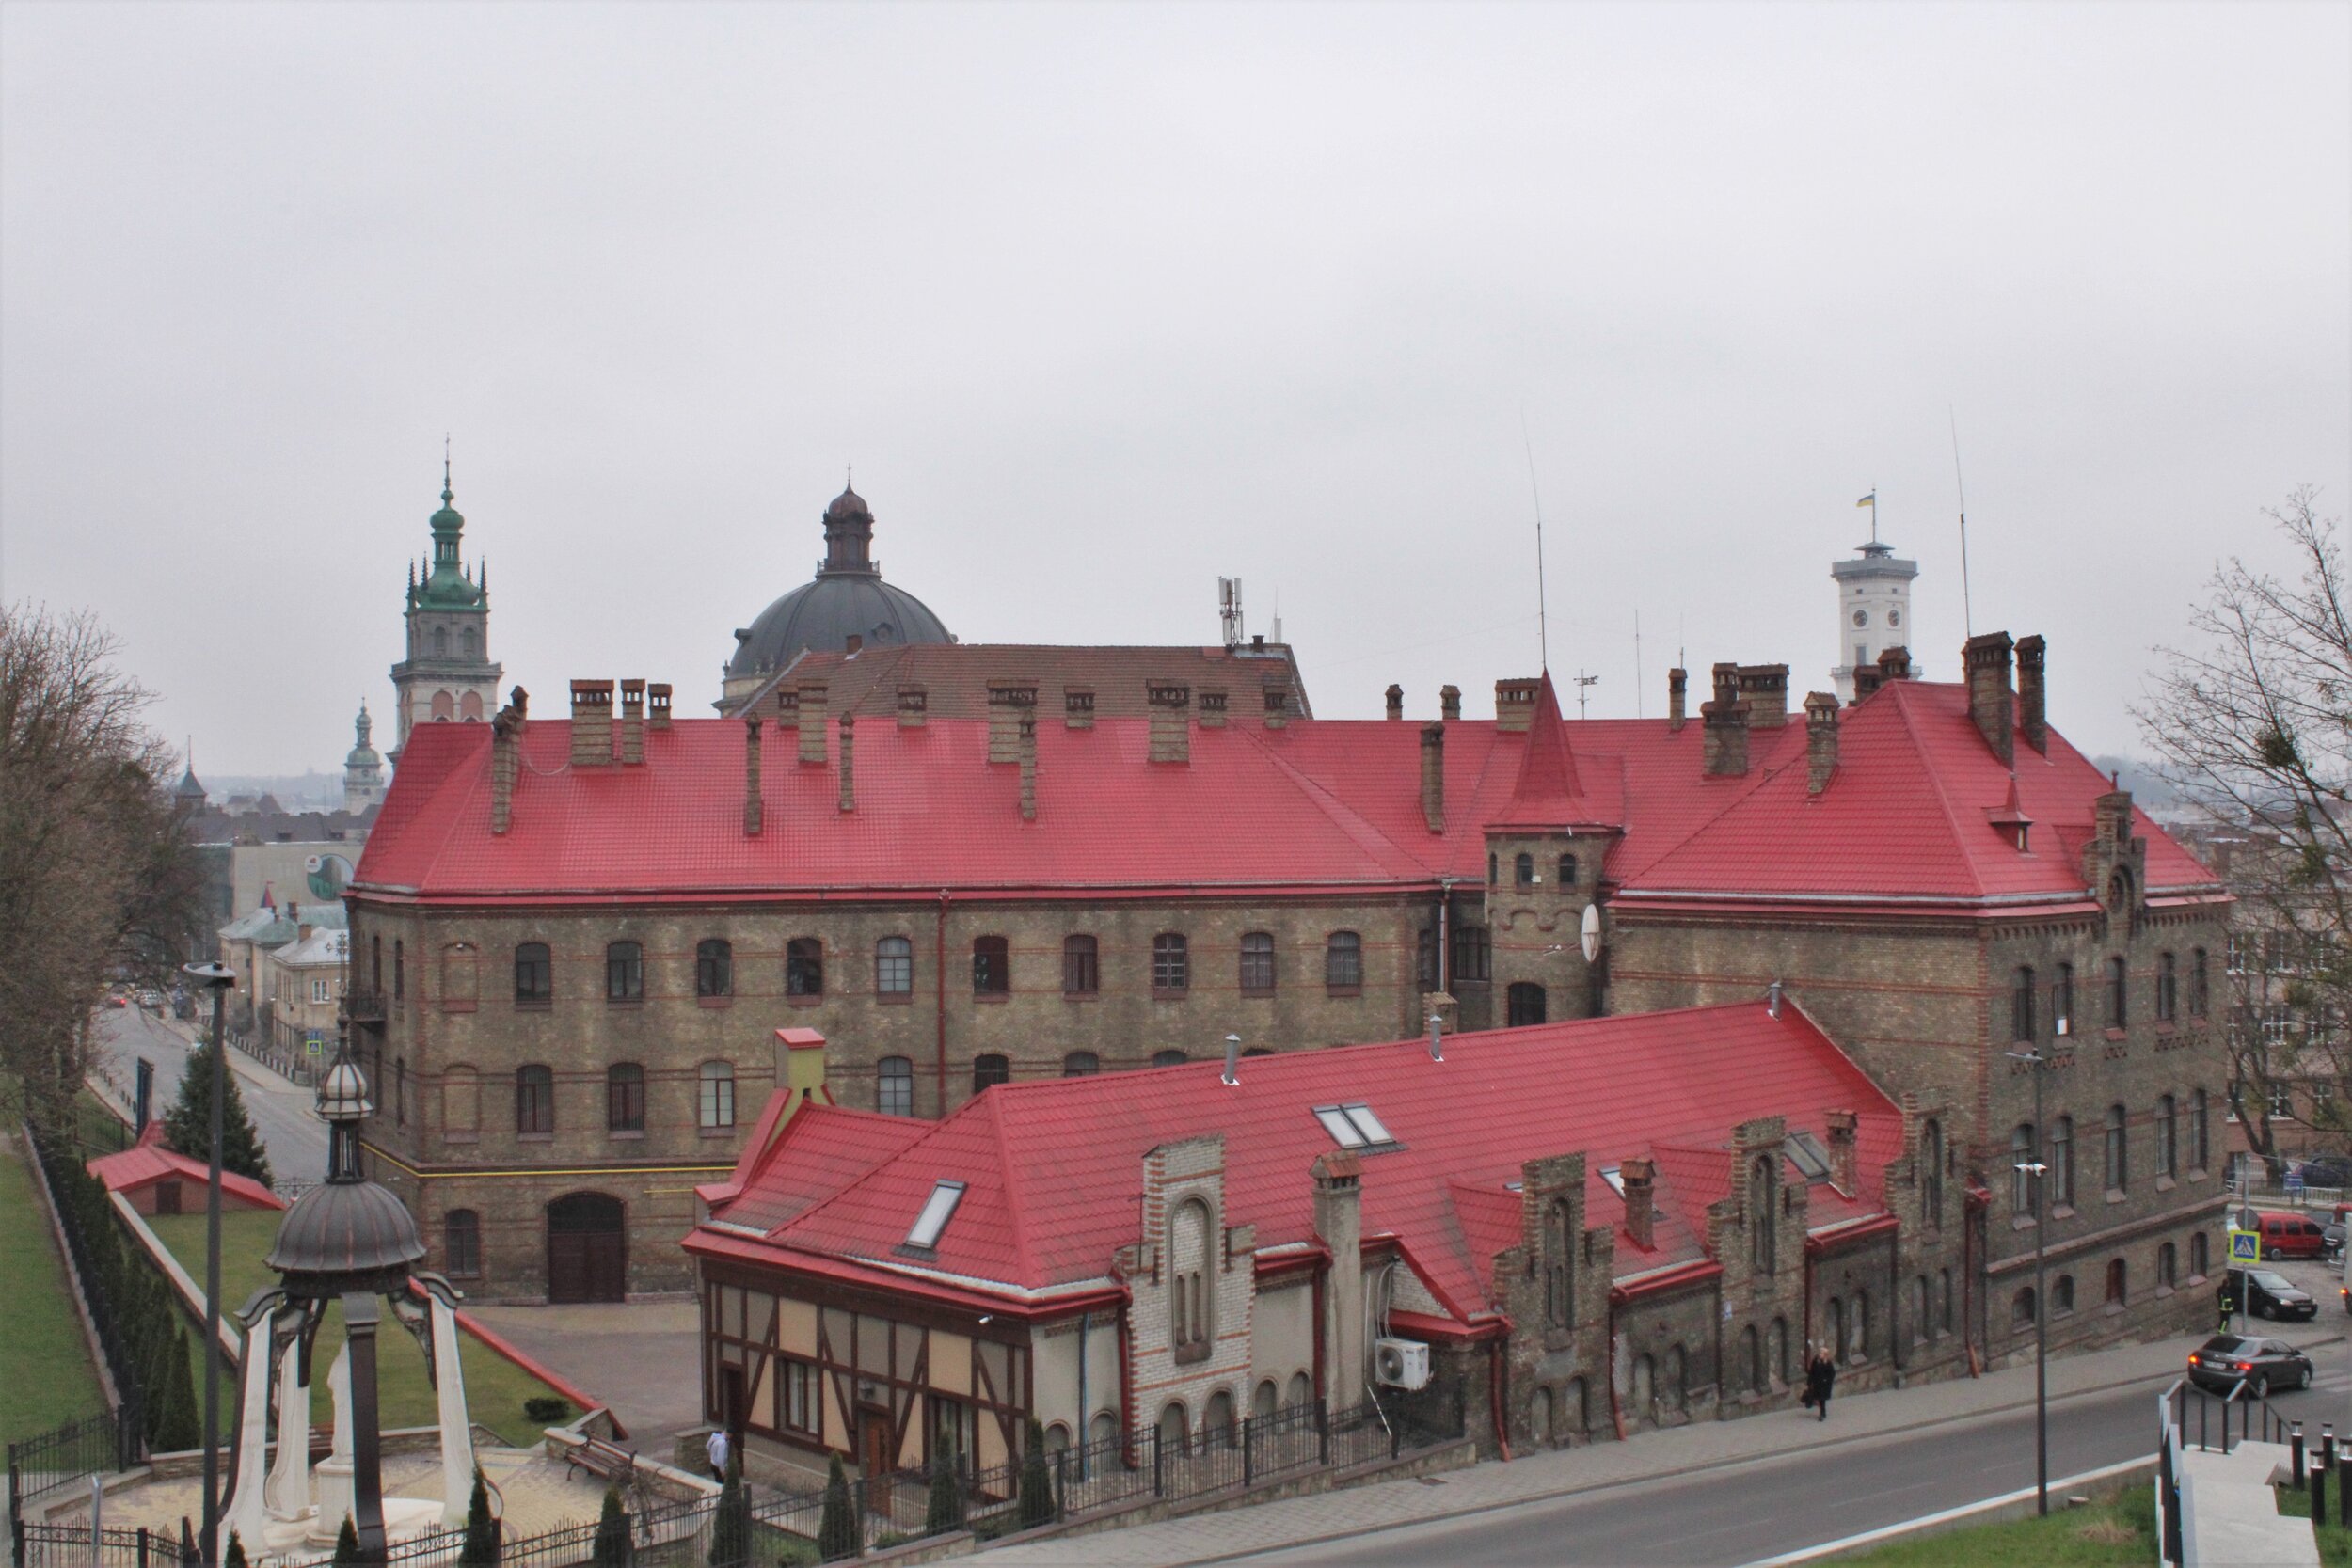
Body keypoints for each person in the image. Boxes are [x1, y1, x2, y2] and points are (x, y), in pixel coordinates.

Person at [1805, 1344, 1836, 1421]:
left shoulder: (1828, 1363)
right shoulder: (1816, 1360)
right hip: (1816, 1383)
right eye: (1820, 1352)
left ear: (1825, 1355)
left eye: (1822, 1353)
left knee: (1822, 1399)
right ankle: (1813, 1404)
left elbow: (1832, 1373)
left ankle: (1822, 1413)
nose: (1820, 1354)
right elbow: (1811, 1371)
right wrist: (1809, 1382)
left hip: (1824, 1385)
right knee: (1817, 1396)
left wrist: (1826, 1380)